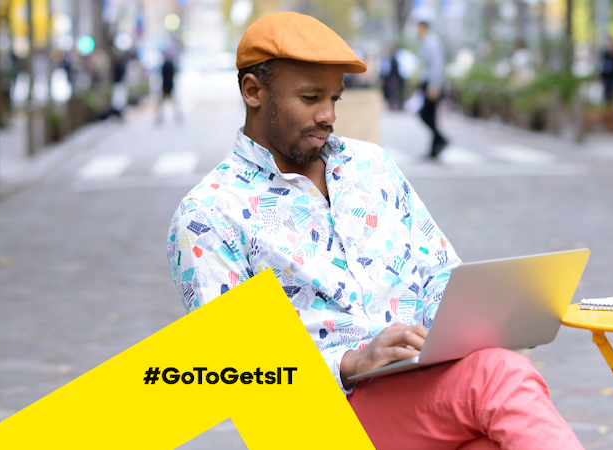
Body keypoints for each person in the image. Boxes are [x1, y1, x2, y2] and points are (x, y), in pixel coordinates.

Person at [167, 12, 583, 449]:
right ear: (253, 91)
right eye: (310, 98)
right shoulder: (209, 212)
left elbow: (440, 272)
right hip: (324, 421)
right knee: (498, 374)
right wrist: (351, 362)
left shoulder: (372, 166)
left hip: (419, 387)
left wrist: (474, 327)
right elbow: (237, 371)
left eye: (335, 98)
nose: (328, 115)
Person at [416, 19, 448, 159]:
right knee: (431, 116)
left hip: (432, 84)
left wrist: (434, 85)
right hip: (429, 83)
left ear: (424, 28)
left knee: (425, 114)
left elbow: (437, 64)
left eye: (419, 28)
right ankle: (434, 149)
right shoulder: (427, 42)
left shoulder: (432, 42)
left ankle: (440, 139)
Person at [156, 51, 183, 124]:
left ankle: (160, 118)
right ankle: (178, 116)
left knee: (163, 103)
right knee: (173, 103)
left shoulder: (165, 64)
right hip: (170, 85)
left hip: (165, 85)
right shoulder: (171, 64)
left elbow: (161, 74)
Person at [600, 36, 613, 106]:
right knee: (606, 92)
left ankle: (611, 104)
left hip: (612, 76)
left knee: (612, 91)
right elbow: (603, 65)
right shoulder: (605, 53)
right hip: (606, 76)